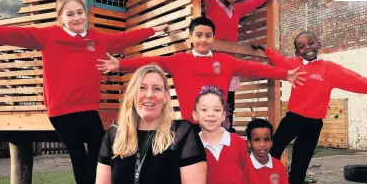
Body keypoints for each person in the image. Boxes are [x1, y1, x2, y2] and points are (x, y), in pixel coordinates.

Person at [0, 0, 169, 184]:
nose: (77, 17)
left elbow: (123, 39)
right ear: (60, 19)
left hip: (88, 108)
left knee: (101, 157)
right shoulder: (48, 36)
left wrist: (153, 30)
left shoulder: (96, 38)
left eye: (80, 12)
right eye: (70, 14)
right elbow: (12, 35)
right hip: (61, 111)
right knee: (79, 158)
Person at [251, 31, 367, 184]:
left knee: (301, 162)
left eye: (310, 43)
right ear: (297, 52)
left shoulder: (329, 69)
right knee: (274, 149)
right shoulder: (293, 65)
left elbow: (356, 81)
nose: (307, 48)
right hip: (292, 119)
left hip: (313, 124)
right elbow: (278, 59)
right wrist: (265, 49)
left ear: (318, 44)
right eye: (301, 47)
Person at [87, 64, 207, 184]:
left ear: (166, 96)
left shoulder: (182, 133)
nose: (149, 94)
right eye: (142, 87)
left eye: (157, 88)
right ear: (132, 93)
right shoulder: (113, 135)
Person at [97, 17, 305, 126]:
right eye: (199, 35)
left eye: (208, 35)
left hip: (219, 123)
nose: (203, 39)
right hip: (190, 123)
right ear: (191, 38)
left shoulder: (226, 61)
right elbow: (151, 61)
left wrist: (285, 74)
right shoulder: (179, 60)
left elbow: (257, 68)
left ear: (213, 38)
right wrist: (121, 65)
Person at [190, 0, 289, 131]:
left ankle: (226, 132)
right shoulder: (212, 6)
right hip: (212, 66)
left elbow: (255, 2)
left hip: (229, 66)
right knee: (210, 100)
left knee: (229, 105)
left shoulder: (237, 10)